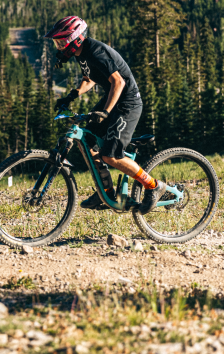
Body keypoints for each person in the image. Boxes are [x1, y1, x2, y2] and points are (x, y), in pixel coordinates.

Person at [44, 15, 166, 214]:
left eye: (61, 42)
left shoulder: (96, 51)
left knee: (110, 156)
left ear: (75, 39)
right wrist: (72, 95)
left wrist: (105, 112)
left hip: (126, 102)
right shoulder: (81, 53)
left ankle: (154, 186)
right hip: (112, 99)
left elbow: (119, 82)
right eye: (57, 43)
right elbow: (89, 78)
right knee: (89, 140)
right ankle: (106, 193)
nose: (58, 47)